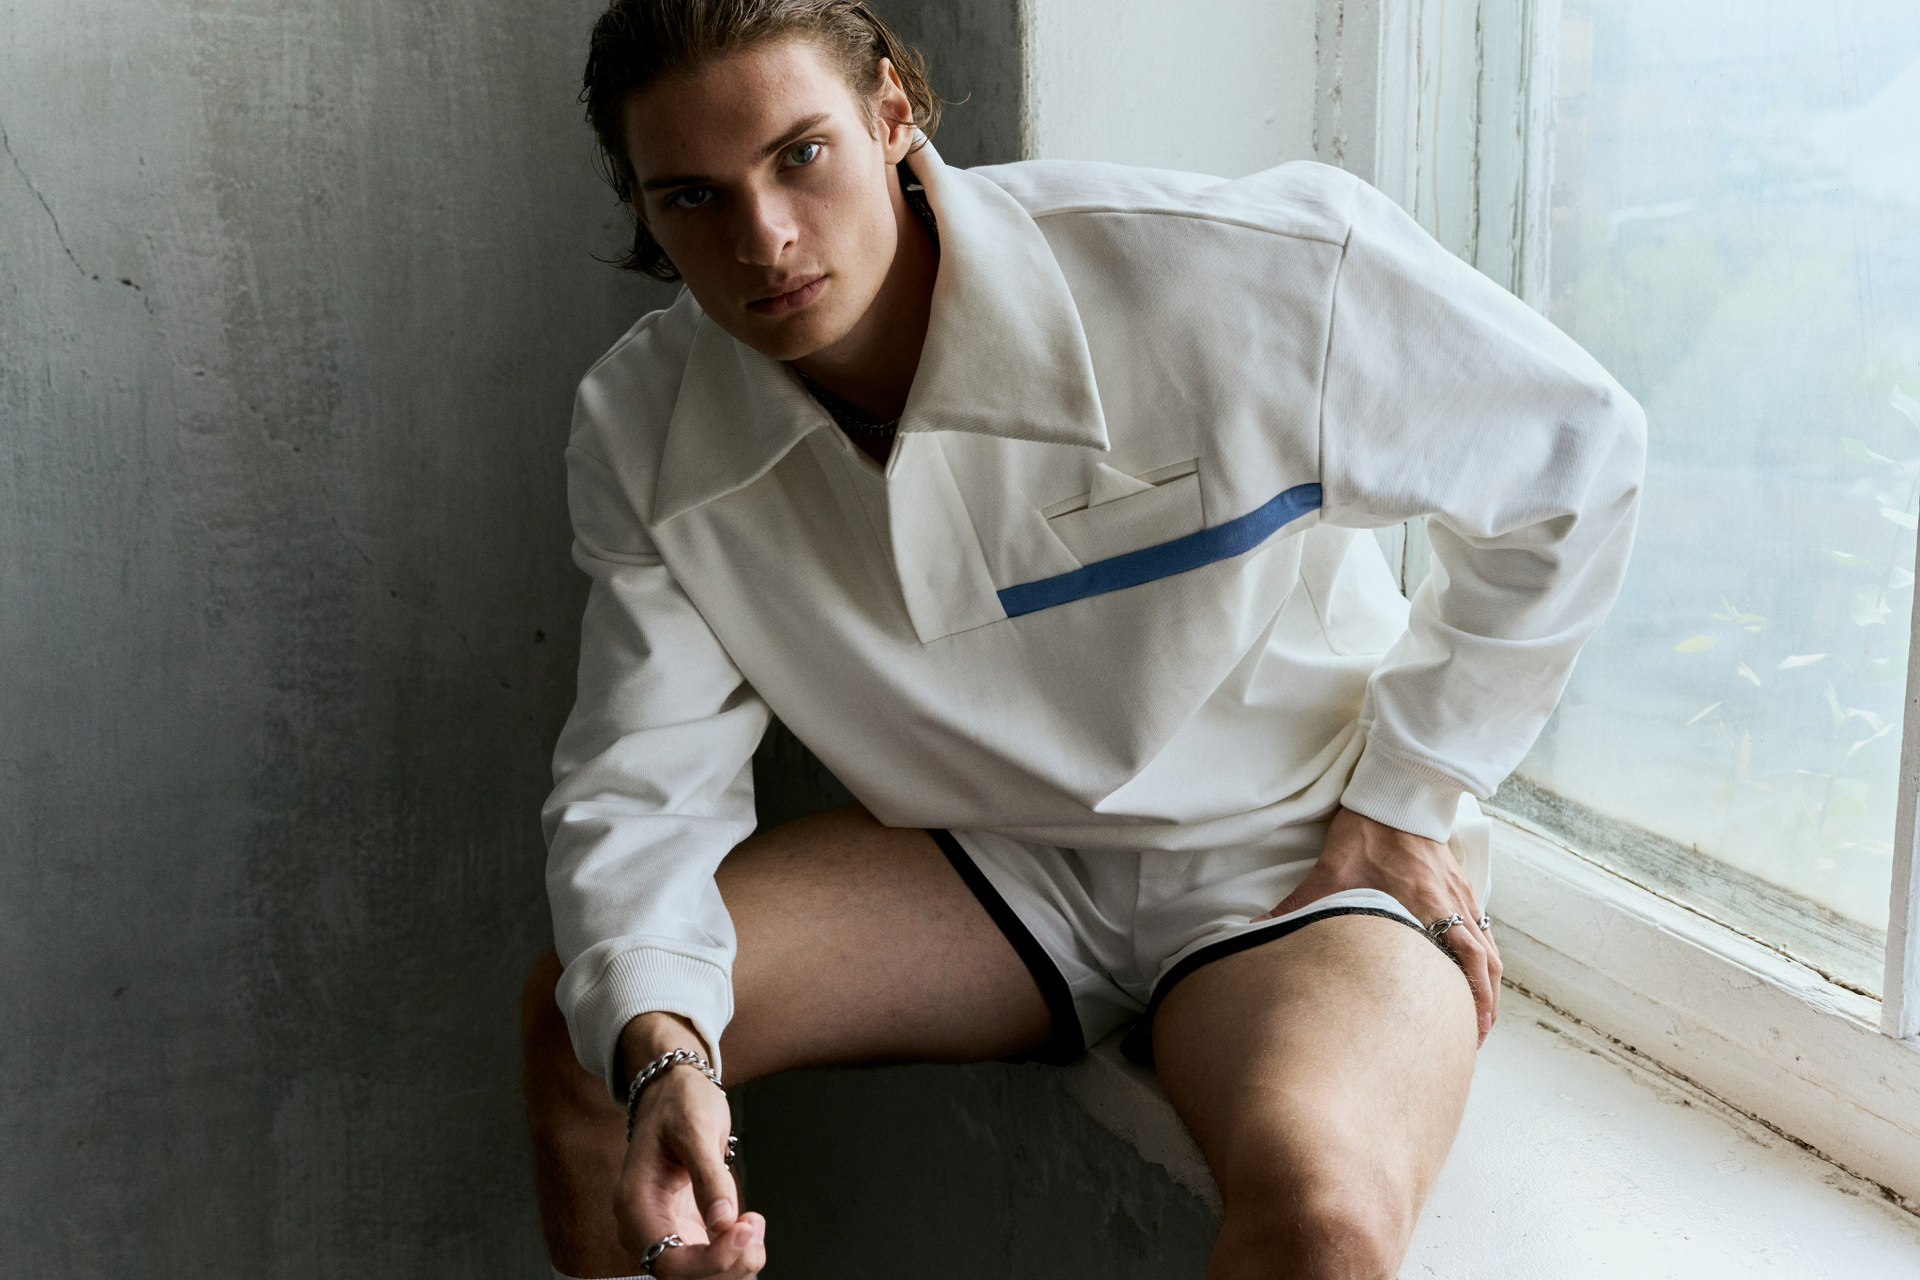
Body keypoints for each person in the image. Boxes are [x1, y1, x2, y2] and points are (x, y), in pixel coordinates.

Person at [519, 2, 1645, 1277]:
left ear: (890, 113)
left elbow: (1576, 451)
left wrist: (1413, 787)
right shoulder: (640, 423)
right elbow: (645, 782)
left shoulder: (1219, 270)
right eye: (692, 197)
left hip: (1286, 849)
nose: (763, 237)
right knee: (597, 1029)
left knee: (1326, 1226)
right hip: (987, 863)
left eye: (800, 155)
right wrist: (667, 1048)